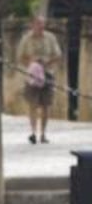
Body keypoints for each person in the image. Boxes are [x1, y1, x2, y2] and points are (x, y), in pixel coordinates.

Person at [17, 16, 63, 145]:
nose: (41, 27)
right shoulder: (26, 39)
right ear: (33, 25)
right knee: (33, 104)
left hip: (48, 74)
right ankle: (33, 132)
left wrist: (47, 63)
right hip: (32, 75)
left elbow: (58, 55)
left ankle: (43, 134)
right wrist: (32, 63)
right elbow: (20, 57)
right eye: (38, 24)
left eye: (42, 24)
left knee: (46, 105)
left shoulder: (50, 38)